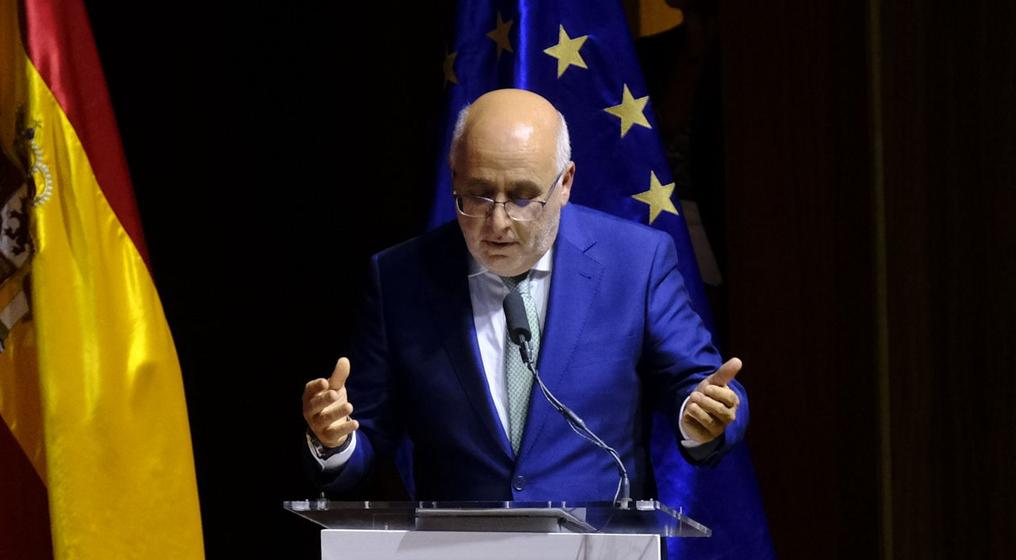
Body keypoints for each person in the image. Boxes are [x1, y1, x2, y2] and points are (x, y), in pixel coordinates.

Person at [300, 88, 745, 516]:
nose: (497, 222)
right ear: (453, 174)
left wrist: (700, 416)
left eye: (521, 197)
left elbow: (699, 383)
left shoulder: (636, 262)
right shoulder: (400, 279)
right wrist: (335, 442)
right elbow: (365, 437)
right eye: (476, 194)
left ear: (565, 183)